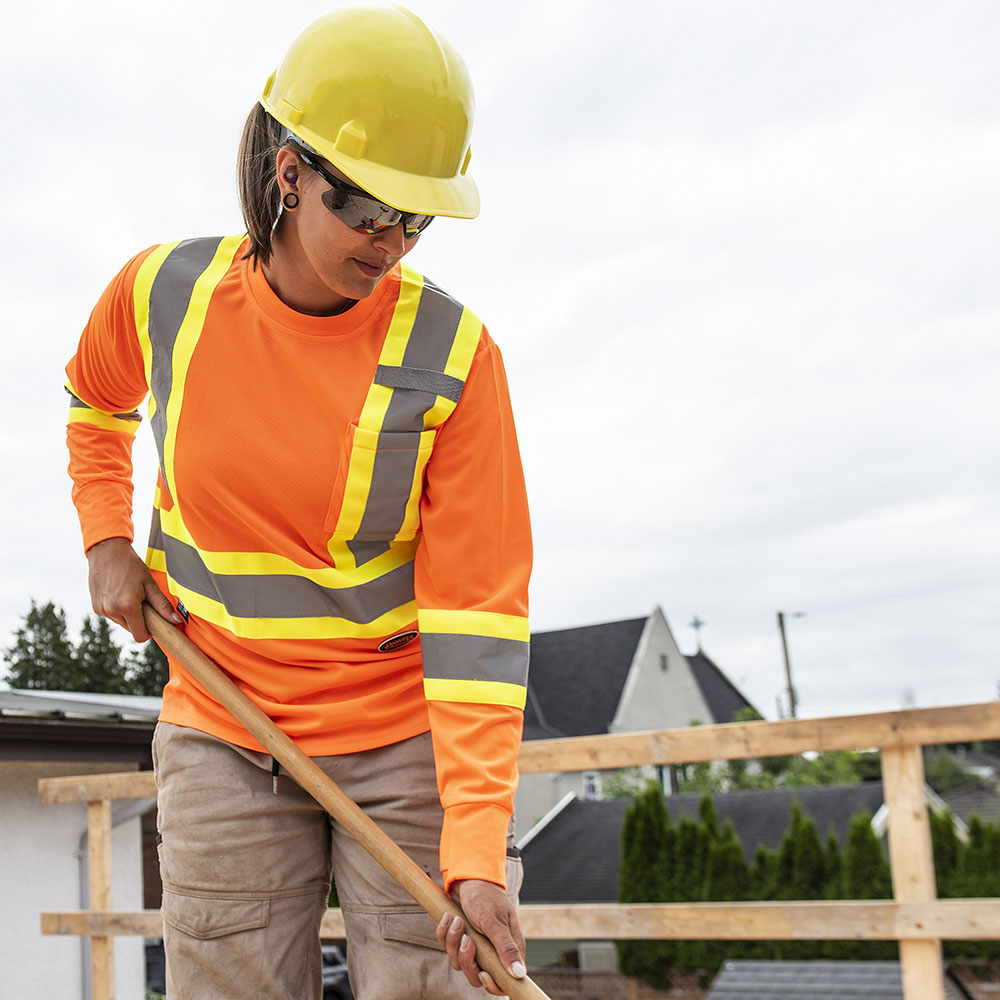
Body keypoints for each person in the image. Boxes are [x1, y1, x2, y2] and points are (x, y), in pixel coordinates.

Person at [64, 6, 532, 999]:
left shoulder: (453, 358)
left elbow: (479, 621)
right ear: (290, 174)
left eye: (417, 217)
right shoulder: (164, 295)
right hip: (224, 717)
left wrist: (478, 853)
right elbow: (94, 400)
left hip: (403, 742)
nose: (394, 242)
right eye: (369, 211)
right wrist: (108, 537)